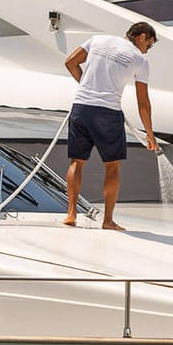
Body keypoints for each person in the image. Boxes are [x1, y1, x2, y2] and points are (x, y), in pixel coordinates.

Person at [62, 21, 159, 230]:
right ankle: (108, 221)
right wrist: (149, 134)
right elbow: (143, 102)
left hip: (81, 107)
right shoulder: (140, 60)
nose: (147, 50)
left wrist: (86, 86)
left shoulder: (97, 40)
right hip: (107, 113)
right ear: (141, 37)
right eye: (149, 45)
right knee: (112, 167)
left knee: (76, 162)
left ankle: (71, 213)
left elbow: (70, 62)